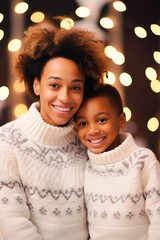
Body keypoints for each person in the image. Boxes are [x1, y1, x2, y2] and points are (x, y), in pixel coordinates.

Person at [0, 22, 108, 240]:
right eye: (54, 85)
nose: (65, 97)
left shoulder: (88, 140)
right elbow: (14, 224)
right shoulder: (7, 142)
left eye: (75, 87)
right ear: (37, 84)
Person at [75, 83, 160, 240]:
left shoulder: (142, 161)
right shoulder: (86, 166)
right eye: (83, 123)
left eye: (101, 120)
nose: (92, 130)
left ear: (121, 120)